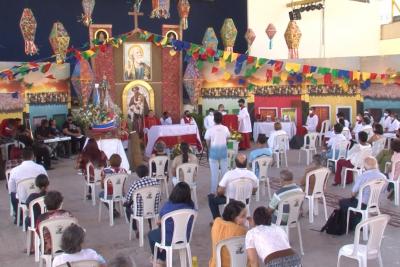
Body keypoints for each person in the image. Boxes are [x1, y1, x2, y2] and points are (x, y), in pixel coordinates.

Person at [148, 182, 195, 266]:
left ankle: (159, 259)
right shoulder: (191, 206)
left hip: (169, 238)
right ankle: (160, 258)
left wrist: (160, 223)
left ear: (174, 192)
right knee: (163, 232)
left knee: (151, 234)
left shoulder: (168, 206)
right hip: (184, 237)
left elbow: (160, 220)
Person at [338, 157, 386, 227]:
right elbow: (383, 191)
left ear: (365, 166)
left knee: (342, 202)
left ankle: (352, 223)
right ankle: (358, 220)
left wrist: (354, 196)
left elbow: (353, 193)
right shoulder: (383, 177)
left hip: (362, 204)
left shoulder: (364, 175)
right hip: (375, 203)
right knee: (352, 202)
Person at [208, 154, 258, 220]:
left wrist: (221, 194)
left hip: (230, 202)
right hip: (245, 201)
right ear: (246, 163)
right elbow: (254, 190)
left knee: (211, 198)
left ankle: (217, 220)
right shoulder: (252, 175)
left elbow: (220, 191)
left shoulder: (229, 174)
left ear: (235, 162)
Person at [8, 147, 47, 223]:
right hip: (39, 196)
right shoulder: (40, 168)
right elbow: (46, 182)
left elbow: (11, 189)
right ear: (33, 156)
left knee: (12, 193)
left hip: (23, 198)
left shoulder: (14, 170)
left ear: (21, 157)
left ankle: (19, 217)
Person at [124, 164, 161, 238]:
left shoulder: (136, 184)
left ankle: (136, 230)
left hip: (139, 211)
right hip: (154, 209)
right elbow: (159, 198)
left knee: (127, 208)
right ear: (147, 172)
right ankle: (152, 228)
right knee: (150, 203)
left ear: (137, 174)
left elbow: (128, 198)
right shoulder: (155, 182)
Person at [209, 200, 248, 267]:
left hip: (216, 265)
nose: (245, 218)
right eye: (242, 216)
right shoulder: (240, 230)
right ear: (233, 217)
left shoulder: (216, 222)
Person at [204, 111, 231, 193]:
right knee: (224, 173)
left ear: (214, 120)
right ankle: (225, 191)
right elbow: (227, 139)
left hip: (213, 153)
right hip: (223, 152)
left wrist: (209, 149)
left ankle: (213, 192)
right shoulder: (225, 128)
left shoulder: (210, 129)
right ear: (221, 119)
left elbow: (207, 142)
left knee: (214, 174)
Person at [99, 154, 128, 218]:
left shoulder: (105, 171)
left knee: (101, 194)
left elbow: (102, 186)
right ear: (120, 161)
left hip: (109, 194)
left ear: (110, 161)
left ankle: (113, 210)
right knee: (112, 191)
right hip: (121, 193)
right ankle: (114, 210)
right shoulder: (123, 170)